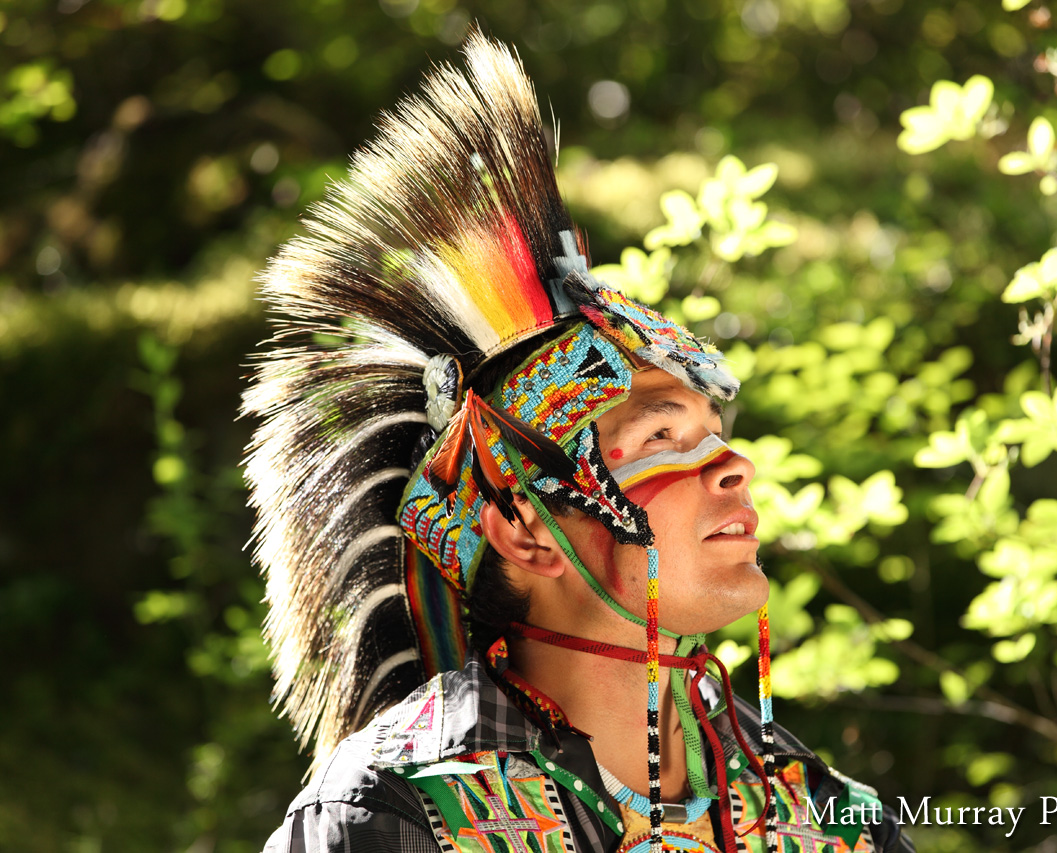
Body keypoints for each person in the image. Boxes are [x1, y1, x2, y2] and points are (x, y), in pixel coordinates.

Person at [245, 34, 913, 853]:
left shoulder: (824, 816)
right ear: (524, 528)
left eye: (716, 435)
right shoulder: (391, 815)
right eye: (662, 437)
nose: (734, 466)